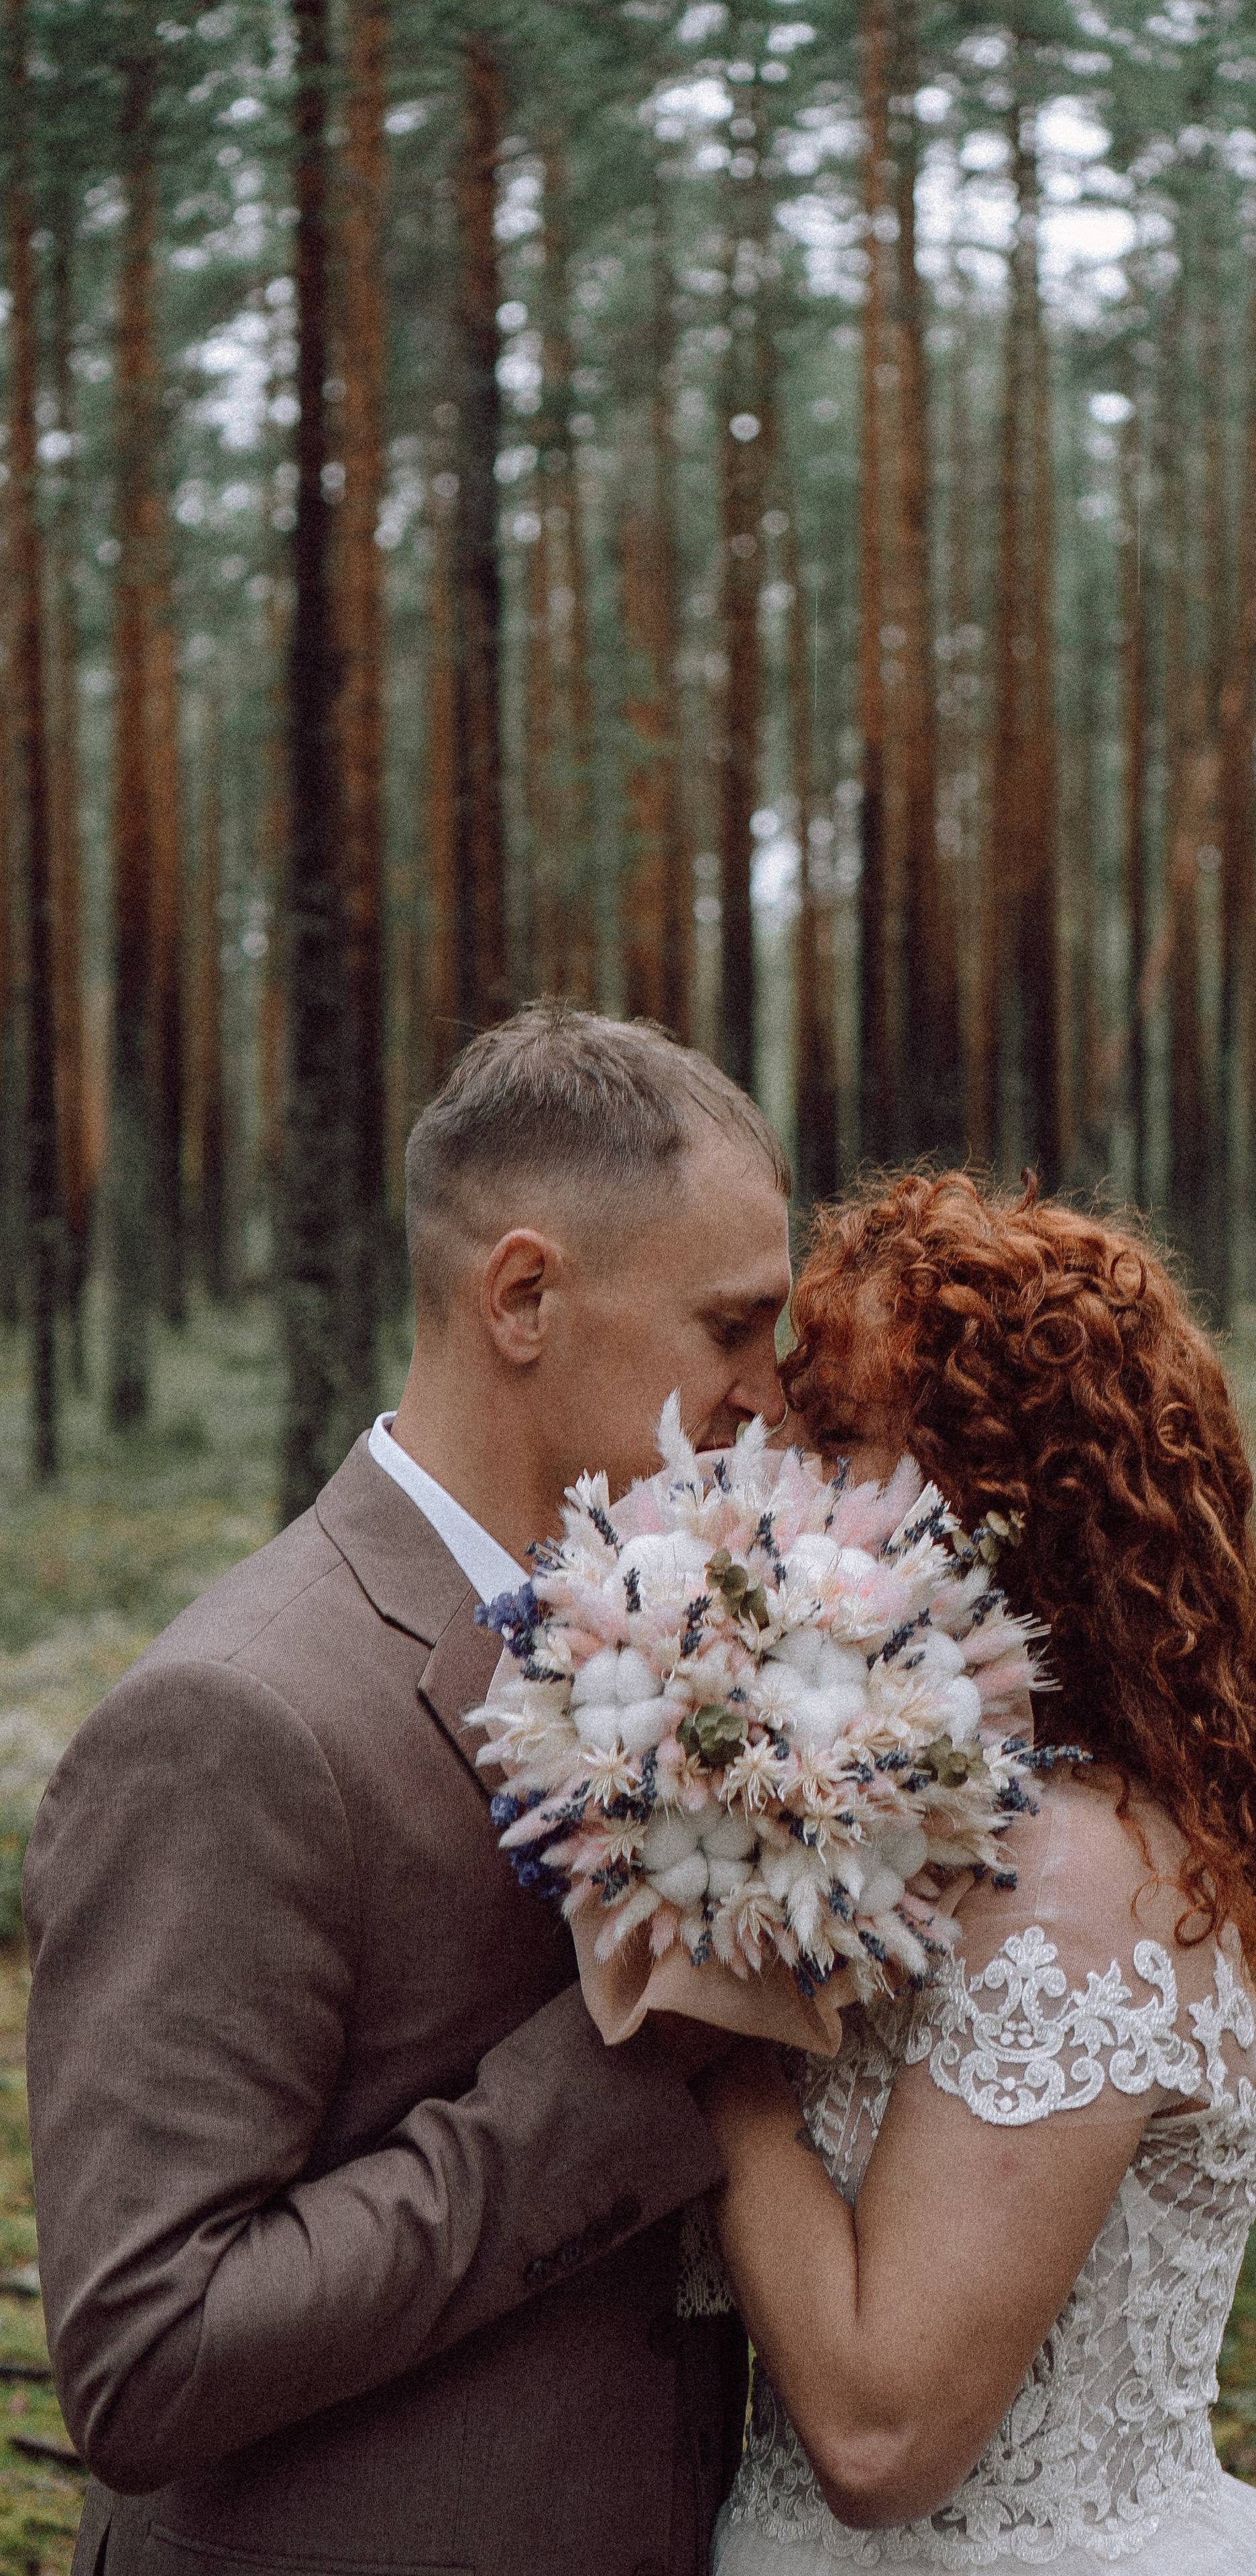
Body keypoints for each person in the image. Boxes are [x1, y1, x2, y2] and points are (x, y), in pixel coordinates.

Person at [25, 1006, 794, 2576]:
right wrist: (636, 2063)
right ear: (522, 1296)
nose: (769, 1394)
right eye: (731, 1328)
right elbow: (144, 2353)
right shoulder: (232, 1720)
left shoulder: (695, 1633)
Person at [696, 1171, 1256, 2576]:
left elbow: (877, 2439)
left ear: (1007, 1490)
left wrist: (692, 2006)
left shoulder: (1076, 1886)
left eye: (836, 1441)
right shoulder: (939, 1819)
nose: (780, 1491)